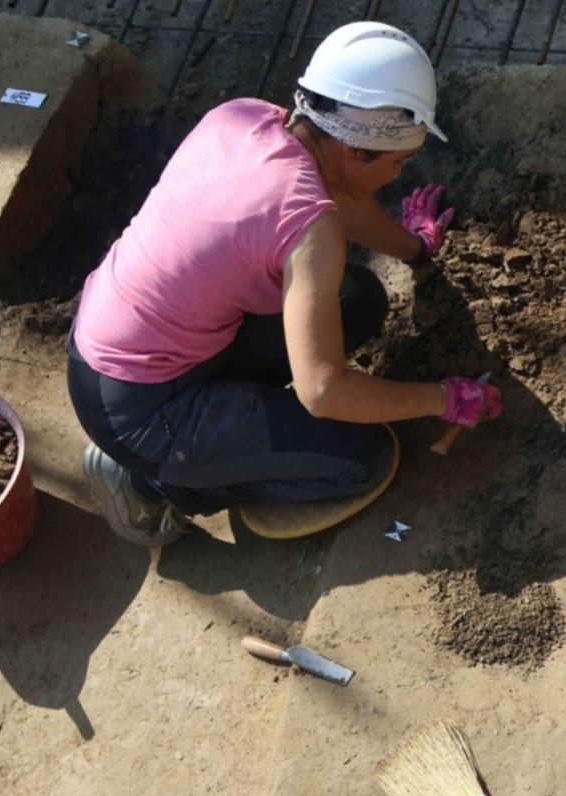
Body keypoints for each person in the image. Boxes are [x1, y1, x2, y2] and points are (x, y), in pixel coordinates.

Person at [67, 21, 501, 546]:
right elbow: (323, 391)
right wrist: (442, 399)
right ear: (354, 151)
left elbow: (339, 198)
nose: (396, 176)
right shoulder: (310, 231)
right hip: (143, 412)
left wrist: (417, 250)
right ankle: (157, 485)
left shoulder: (244, 117)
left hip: (126, 341)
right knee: (364, 460)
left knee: (356, 299)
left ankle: (235, 430)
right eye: (396, 162)